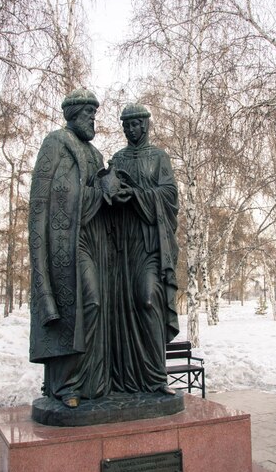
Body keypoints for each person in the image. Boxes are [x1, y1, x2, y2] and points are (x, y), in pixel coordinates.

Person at [28, 88, 110, 407]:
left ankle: (90, 379)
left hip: (94, 240)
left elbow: (96, 194)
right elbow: (41, 201)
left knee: (96, 306)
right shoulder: (56, 143)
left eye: (94, 114)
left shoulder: (95, 154)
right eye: (89, 114)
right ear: (74, 115)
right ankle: (65, 384)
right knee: (85, 305)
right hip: (67, 242)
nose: (93, 120)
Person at [109, 103, 179, 394]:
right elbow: (107, 191)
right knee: (122, 309)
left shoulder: (159, 157)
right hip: (123, 245)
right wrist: (111, 191)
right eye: (125, 125)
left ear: (146, 125)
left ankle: (155, 377)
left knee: (148, 299)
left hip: (150, 243)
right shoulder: (117, 158)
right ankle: (125, 380)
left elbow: (170, 194)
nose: (129, 129)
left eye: (134, 124)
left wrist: (136, 195)